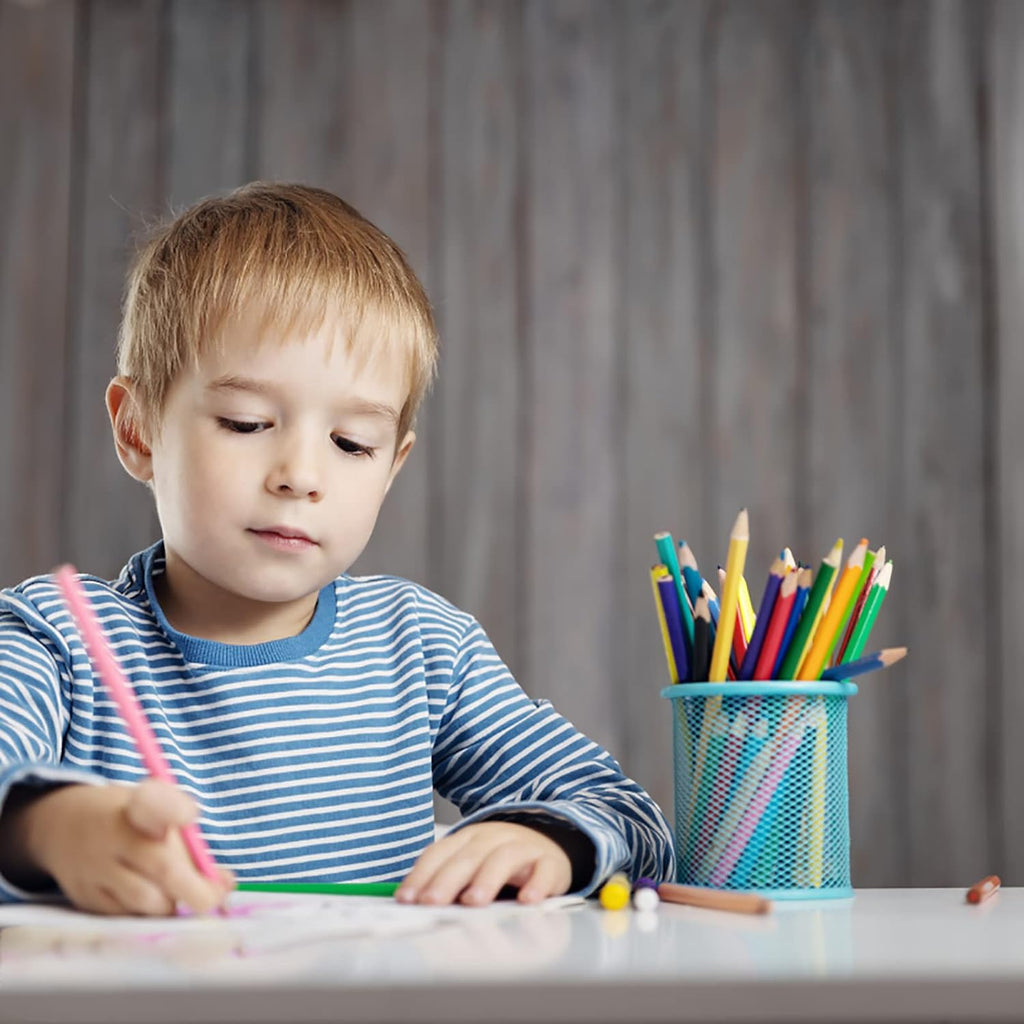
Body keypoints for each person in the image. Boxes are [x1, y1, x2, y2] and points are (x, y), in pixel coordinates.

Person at [0, 183, 673, 915]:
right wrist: (48, 829)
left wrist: (547, 838)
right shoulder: (57, 639)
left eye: (352, 443)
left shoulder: (421, 648)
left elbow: (630, 818)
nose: (300, 476)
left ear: (391, 468)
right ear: (138, 431)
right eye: (246, 422)